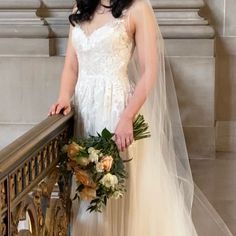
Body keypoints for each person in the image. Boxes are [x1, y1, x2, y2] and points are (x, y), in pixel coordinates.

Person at [48, 0, 233, 235]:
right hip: (84, 110)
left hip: (116, 110)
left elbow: (150, 71)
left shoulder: (137, 9)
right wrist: (64, 97)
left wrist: (127, 117)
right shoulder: (81, 7)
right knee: (88, 187)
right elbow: (71, 66)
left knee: (116, 188)